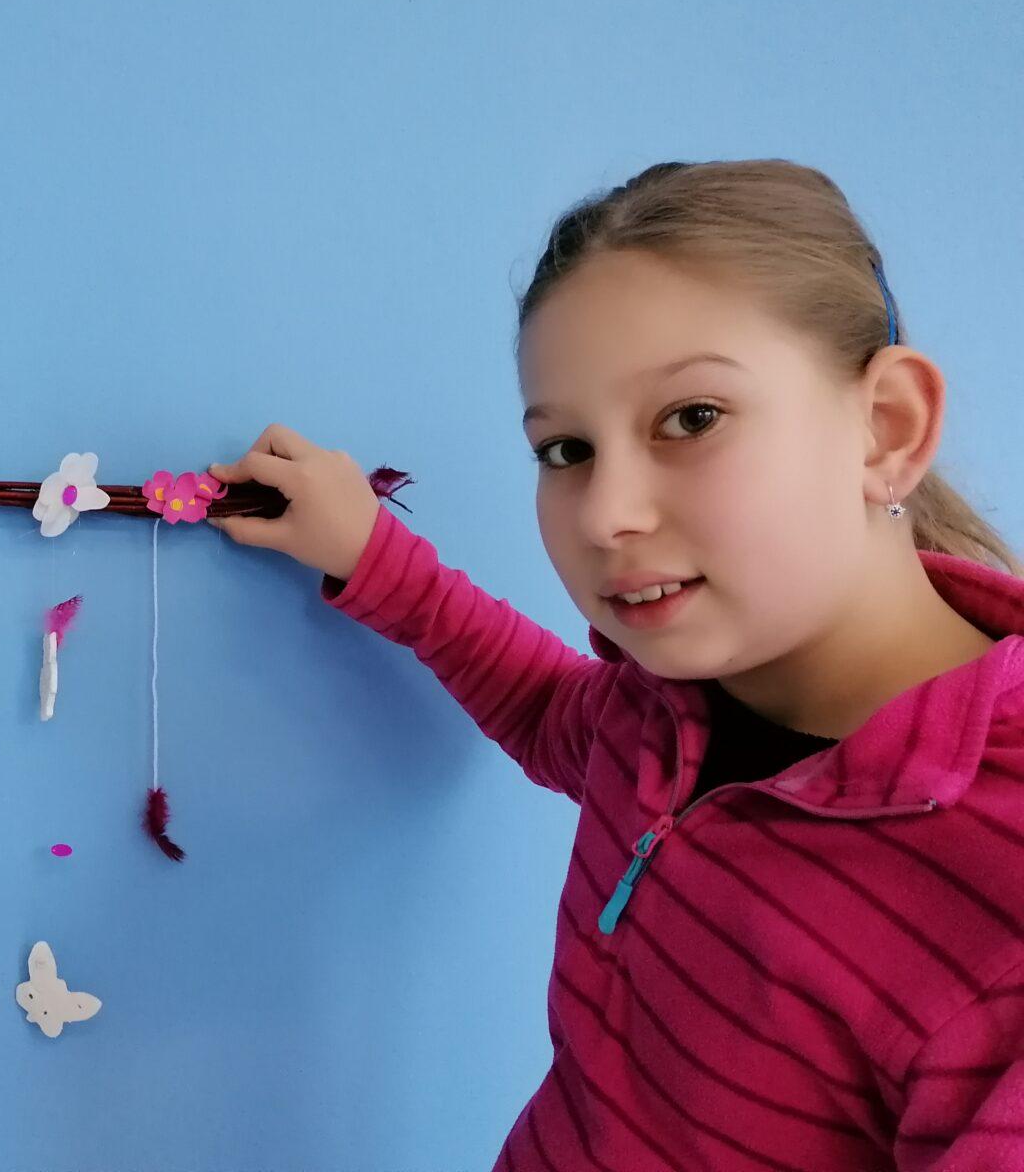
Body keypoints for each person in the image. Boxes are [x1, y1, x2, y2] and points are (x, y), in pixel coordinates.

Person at [209, 159, 1024, 1171]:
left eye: (692, 418)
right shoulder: (665, 708)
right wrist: (373, 553)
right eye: (565, 451)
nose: (604, 516)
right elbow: (554, 712)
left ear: (885, 427)